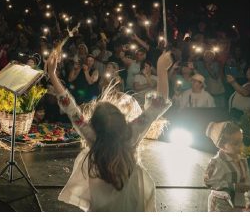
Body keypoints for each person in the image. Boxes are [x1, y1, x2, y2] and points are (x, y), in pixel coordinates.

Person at [45, 36, 172, 211]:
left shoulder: (93, 137)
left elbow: (71, 108)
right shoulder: (131, 133)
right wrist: (162, 69)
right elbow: (158, 105)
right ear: (122, 120)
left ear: (94, 124)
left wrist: (52, 74)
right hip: (130, 201)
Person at [203, 121, 250, 211]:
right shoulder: (217, 162)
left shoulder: (242, 160)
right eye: (236, 143)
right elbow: (209, 182)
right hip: (220, 205)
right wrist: (233, 186)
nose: (241, 146)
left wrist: (249, 199)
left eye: (241, 141)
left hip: (239, 204)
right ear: (222, 146)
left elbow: (246, 180)